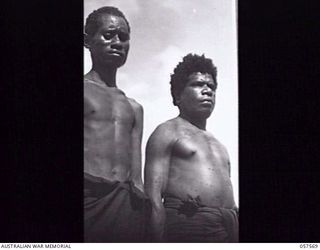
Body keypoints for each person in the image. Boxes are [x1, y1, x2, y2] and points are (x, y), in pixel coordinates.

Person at [144, 54, 238, 242]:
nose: (207, 91)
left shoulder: (219, 144)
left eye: (211, 87)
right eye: (197, 84)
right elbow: (153, 199)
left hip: (229, 227)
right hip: (190, 224)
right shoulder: (167, 131)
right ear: (178, 95)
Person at [83, 6, 149, 242]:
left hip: (124, 209)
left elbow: (137, 178)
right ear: (87, 40)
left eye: (123, 37)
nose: (117, 42)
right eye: (108, 35)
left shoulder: (134, 107)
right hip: (88, 201)